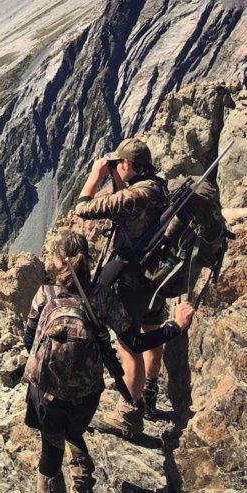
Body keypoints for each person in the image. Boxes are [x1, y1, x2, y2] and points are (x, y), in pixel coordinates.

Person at [24, 230, 195, 493]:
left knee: (51, 448)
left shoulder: (45, 293)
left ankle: (58, 483)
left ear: (58, 262)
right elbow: (135, 343)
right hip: (86, 395)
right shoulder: (102, 296)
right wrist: (175, 327)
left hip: (45, 391)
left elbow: (28, 340)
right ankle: (82, 477)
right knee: (73, 429)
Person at [72, 137, 169, 437]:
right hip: (157, 276)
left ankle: (129, 414)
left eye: (118, 163)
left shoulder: (131, 197)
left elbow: (83, 208)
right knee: (151, 333)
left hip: (131, 281)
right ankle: (149, 396)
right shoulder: (159, 188)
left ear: (126, 164)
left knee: (129, 347)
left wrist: (96, 175)